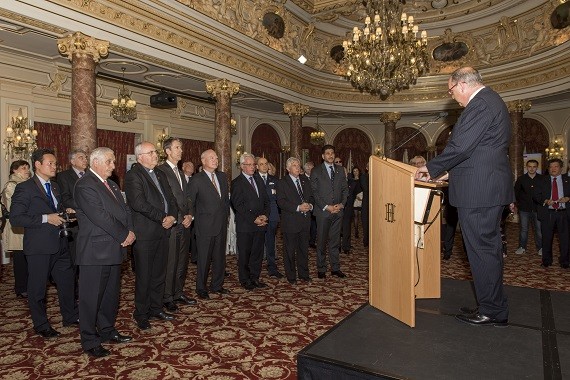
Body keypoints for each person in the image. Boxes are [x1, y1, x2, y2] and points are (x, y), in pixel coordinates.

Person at [415, 67, 514, 327]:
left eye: (451, 90)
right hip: (483, 186)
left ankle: (492, 310)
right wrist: (447, 175)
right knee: (487, 250)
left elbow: (461, 147)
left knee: (482, 251)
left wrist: (431, 167)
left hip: (480, 192)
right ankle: (492, 304)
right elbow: (478, 153)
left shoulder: (480, 103)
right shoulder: (490, 100)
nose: (453, 97)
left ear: (461, 85)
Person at [10, 148, 79, 338]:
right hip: (39, 247)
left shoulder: (55, 186)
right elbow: (16, 219)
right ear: (37, 165)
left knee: (67, 283)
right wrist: (45, 218)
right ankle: (41, 324)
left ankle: (71, 316)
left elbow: (56, 208)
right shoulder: (25, 188)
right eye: (50, 163)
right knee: (38, 288)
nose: (54, 167)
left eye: (56, 163)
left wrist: (67, 211)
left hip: (61, 243)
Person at [74, 147, 135, 357]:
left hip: (113, 248)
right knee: (91, 298)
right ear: (96, 162)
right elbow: (99, 216)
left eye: (113, 161)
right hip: (95, 251)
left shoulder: (111, 185)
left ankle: (107, 330)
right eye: (109, 162)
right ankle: (90, 340)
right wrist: (123, 235)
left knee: (110, 295)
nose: (113, 166)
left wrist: (130, 230)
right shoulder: (85, 185)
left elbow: (125, 210)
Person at [124, 142, 178, 330]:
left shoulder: (160, 174)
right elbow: (139, 204)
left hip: (163, 230)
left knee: (159, 274)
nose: (156, 155)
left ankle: (156, 308)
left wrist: (172, 216)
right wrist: (163, 217)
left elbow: (171, 199)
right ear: (140, 157)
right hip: (145, 234)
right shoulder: (133, 176)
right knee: (145, 276)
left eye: (156, 152)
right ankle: (141, 313)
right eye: (152, 152)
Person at [156, 138, 196, 312]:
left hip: (184, 223)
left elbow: (187, 197)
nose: (181, 150)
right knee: (170, 262)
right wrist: (179, 216)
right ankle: (167, 296)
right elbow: (166, 198)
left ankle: (178, 292)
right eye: (177, 147)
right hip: (172, 224)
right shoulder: (161, 171)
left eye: (181, 147)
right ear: (168, 151)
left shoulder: (180, 173)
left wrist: (190, 215)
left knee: (182, 261)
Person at [187, 149, 230, 299]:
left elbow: (225, 201)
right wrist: (192, 219)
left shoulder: (222, 177)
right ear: (203, 161)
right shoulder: (196, 179)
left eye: (216, 158)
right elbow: (190, 202)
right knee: (204, 259)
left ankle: (217, 285)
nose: (215, 160)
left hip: (221, 224)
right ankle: (201, 288)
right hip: (204, 226)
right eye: (211, 158)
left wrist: (227, 218)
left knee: (219, 257)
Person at [231, 153, 270, 290]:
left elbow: (266, 201)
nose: (253, 167)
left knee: (257, 254)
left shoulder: (259, 180)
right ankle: (245, 280)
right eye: (250, 165)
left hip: (261, 224)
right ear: (242, 166)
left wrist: (265, 215)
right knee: (245, 254)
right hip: (246, 225)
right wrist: (254, 218)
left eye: (254, 164)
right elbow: (238, 205)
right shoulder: (237, 183)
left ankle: (255, 278)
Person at [311, 144, 349, 279]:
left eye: (332, 153)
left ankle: (335, 268)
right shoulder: (316, 171)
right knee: (321, 242)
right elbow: (314, 193)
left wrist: (342, 204)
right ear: (323, 156)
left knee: (335, 242)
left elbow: (345, 189)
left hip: (338, 212)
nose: (330, 155)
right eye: (327, 153)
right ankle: (321, 268)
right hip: (323, 212)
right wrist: (326, 206)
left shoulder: (340, 170)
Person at [277, 157, 314, 284]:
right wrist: (298, 207)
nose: (298, 168)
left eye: (298, 165)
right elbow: (281, 202)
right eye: (294, 165)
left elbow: (311, 196)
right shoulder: (282, 182)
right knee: (289, 250)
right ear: (288, 169)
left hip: (305, 221)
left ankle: (304, 274)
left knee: (303, 249)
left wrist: (310, 206)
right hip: (291, 221)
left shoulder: (305, 180)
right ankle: (291, 276)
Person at [1, 160, 31, 298]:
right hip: (17, 227)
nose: (27, 170)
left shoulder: (26, 184)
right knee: (20, 258)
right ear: (14, 170)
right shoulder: (11, 186)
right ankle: (21, 287)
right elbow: (17, 206)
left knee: (28, 257)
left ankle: (28, 285)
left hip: (26, 225)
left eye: (28, 168)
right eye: (23, 168)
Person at [533, 158, 570, 268]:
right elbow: (536, 195)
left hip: (564, 213)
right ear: (548, 169)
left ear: (561, 168)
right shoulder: (541, 180)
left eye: (556, 166)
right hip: (548, 213)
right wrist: (545, 200)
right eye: (551, 167)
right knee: (547, 238)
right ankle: (546, 261)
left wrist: (568, 198)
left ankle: (565, 261)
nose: (553, 169)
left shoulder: (567, 180)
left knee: (565, 239)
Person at [56, 149, 88, 267]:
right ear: (72, 161)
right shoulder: (63, 176)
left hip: (90, 222)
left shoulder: (91, 175)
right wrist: (86, 206)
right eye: (81, 158)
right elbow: (65, 198)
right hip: (75, 222)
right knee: (74, 257)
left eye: (85, 157)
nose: (85, 160)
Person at [256, 156, 283, 279]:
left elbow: (277, 198)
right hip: (257, 215)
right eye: (261, 164)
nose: (264, 166)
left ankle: (272, 267)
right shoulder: (253, 179)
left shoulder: (274, 180)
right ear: (257, 166)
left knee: (271, 242)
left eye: (266, 163)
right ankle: (254, 267)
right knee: (256, 243)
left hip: (272, 215)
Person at [514, 159, 543, 256]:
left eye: (534, 166)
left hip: (538, 209)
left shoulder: (542, 179)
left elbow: (545, 193)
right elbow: (516, 193)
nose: (532, 168)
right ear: (527, 167)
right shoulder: (521, 179)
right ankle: (522, 247)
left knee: (539, 230)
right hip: (524, 209)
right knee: (524, 229)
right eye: (530, 166)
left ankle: (541, 248)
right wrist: (517, 205)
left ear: (537, 167)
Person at [341, 162, 361, 254]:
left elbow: (356, 193)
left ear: (347, 173)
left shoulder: (352, 182)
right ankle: (337, 246)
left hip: (348, 209)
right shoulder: (335, 183)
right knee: (337, 229)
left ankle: (346, 246)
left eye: (344, 172)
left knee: (347, 228)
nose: (343, 173)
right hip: (338, 208)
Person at [182, 160, 198, 264]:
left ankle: (195, 257)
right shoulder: (179, 179)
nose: (191, 167)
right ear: (183, 167)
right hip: (182, 213)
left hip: (195, 213)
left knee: (195, 236)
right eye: (189, 165)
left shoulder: (195, 180)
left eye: (192, 165)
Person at [303, 161, 317, 249]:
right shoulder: (301, 178)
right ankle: (305, 241)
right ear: (305, 169)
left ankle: (312, 241)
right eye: (308, 168)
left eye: (312, 168)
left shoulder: (316, 178)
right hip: (304, 205)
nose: (310, 170)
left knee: (314, 225)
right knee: (305, 225)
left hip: (315, 204)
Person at [351, 166, 363, 239]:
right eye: (354, 171)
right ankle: (356, 231)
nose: (355, 172)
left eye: (357, 171)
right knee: (356, 216)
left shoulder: (362, 180)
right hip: (355, 199)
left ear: (359, 172)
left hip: (363, 198)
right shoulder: (351, 180)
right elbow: (351, 191)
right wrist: (356, 197)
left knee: (363, 216)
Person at [360, 162, 370, 248]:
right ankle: (366, 241)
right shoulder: (363, 177)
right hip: (366, 204)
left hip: (376, 204)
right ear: (367, 168)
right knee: (366, 223)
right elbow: (366, 189)